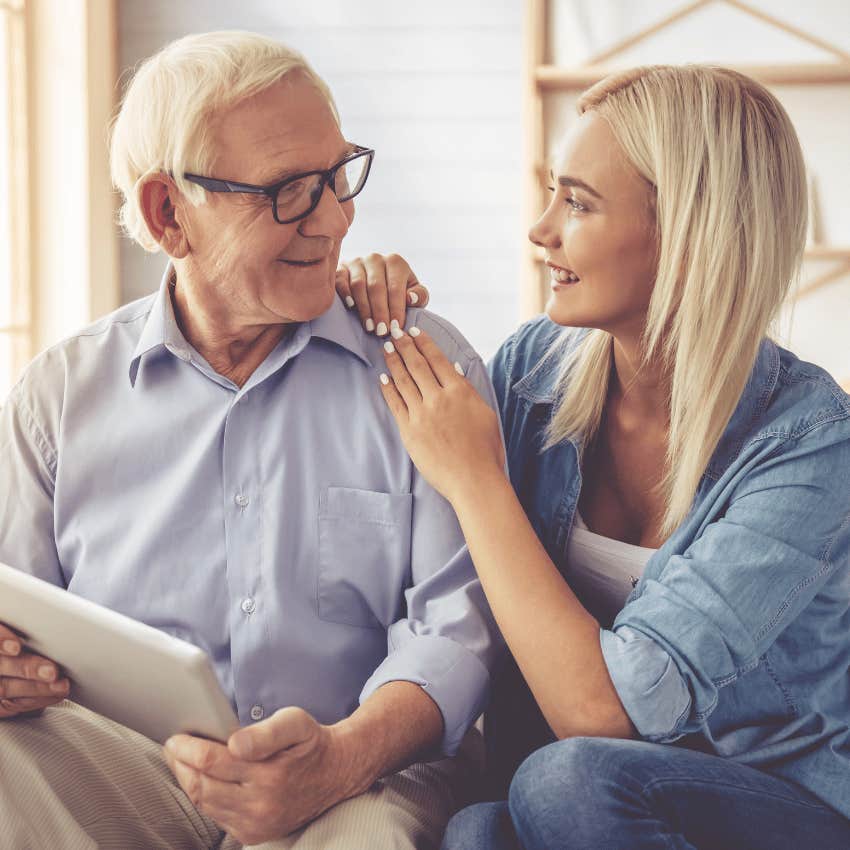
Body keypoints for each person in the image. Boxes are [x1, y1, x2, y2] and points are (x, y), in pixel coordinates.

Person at [0, 31, 503, 850]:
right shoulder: (56, 398)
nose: (336, 218)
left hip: (360, 778)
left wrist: (340, 758)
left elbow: (456, 632)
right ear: (169, 213)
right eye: (291, 192)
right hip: (131, 773)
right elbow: (15, 611)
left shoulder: (422, 368)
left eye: (338, 176)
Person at [335, 64, 850, 849]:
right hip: (593, 802)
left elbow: (601, 715)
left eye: (576, 203)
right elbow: (395, 471)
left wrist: (478, 482)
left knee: (565, 778)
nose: (541, 230)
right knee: (476, 832)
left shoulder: (812, 442)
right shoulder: (534, 369)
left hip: (784, 798)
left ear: (686, 232)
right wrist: (365, 311)